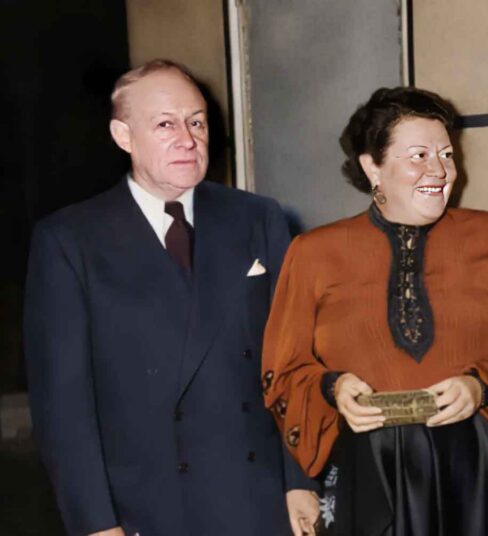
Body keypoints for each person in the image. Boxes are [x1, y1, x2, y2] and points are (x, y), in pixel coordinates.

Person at [23, 60, 319, 536]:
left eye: (196, 122)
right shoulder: (70, 240)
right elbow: (63, 406)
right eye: (165, 124)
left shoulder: (256, 218)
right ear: (123, 136)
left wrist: (299, 480)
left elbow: (292, 361)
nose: (188, 139)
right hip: (145, 507)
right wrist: (96, 523)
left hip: (257, 497)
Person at [261, 86, 488, 536]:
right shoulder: (312, 253)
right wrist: (332, 387)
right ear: (373, 167)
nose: (439, 170)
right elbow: (282, 372)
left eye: (446, 154)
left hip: (481, 473)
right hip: (368, 470)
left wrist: (481, 388)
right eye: (419, 156)